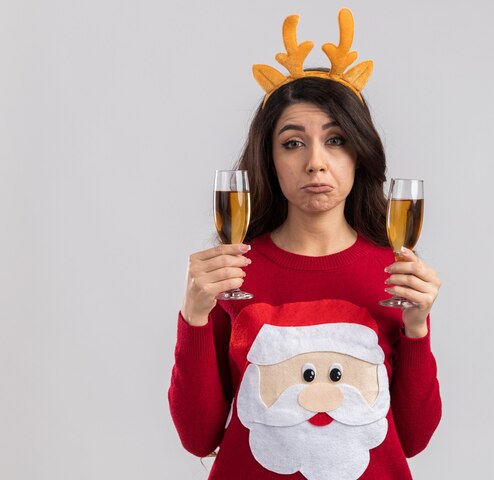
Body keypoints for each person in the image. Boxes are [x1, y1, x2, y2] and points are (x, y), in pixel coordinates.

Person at [169, 8, 442, 480]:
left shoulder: (394, 275)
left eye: (335, 140)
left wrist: (417, 328)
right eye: (293, 143)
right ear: (268, 158)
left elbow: (413, 440)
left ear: (360, 153)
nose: (316, 162)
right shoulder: (230, 272)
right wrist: (193, 318)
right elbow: (198, 437)